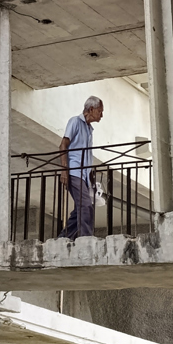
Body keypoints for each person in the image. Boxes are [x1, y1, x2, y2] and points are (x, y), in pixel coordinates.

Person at [59, 95, 104, 238]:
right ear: (91, 109)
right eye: (100, 111)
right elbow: (63, 145)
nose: (101, 115)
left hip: (83, 175)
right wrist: (64, 171)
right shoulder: (75, 122)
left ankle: (63, 238)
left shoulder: (90, 129)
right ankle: (86, 238)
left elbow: (87, 156)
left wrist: (91, 179)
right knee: (85, 206)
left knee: (79, 209)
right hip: (73, 172)